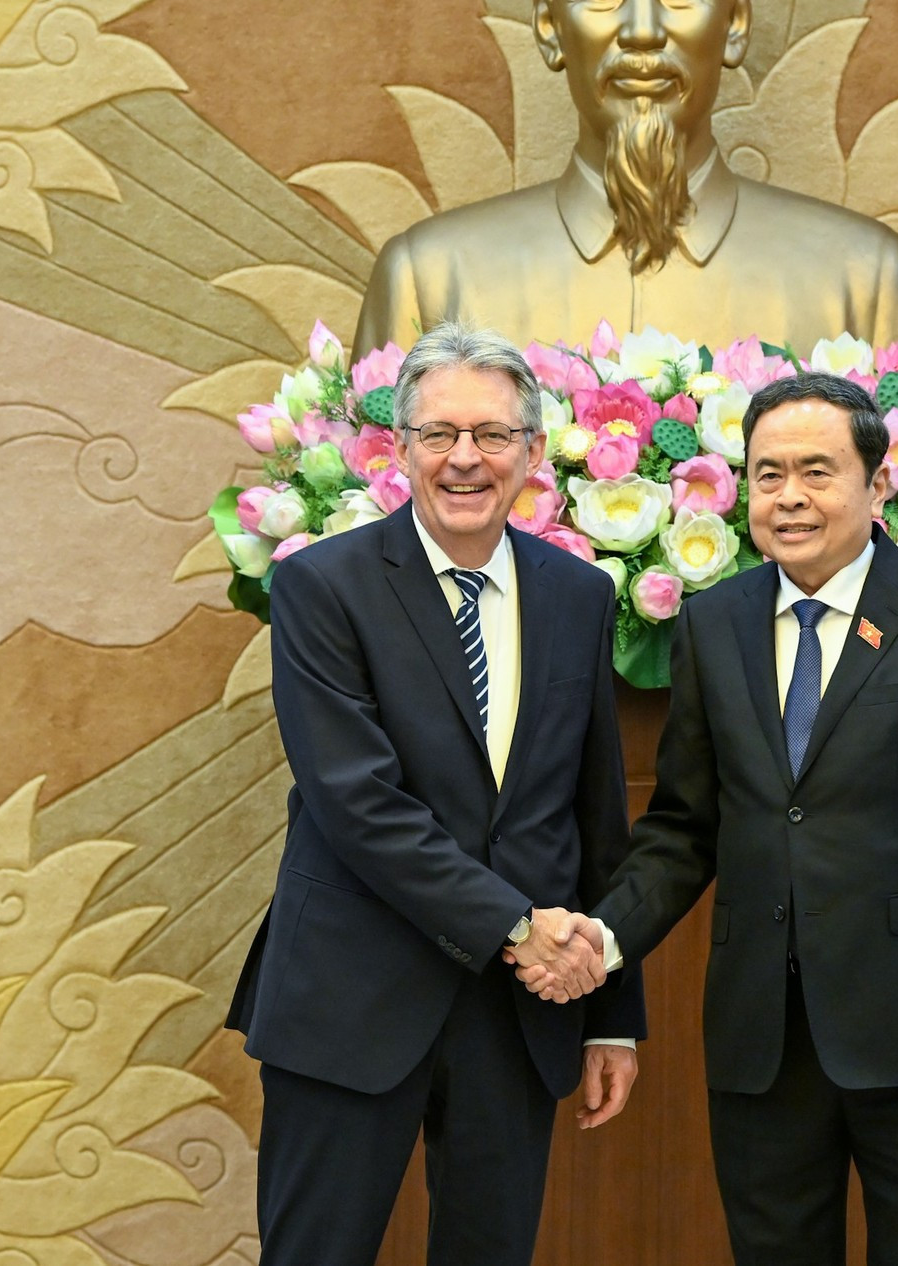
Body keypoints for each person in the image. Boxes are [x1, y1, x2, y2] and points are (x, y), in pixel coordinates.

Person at [518, 372, 898, 1265]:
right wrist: (601, 940)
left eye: (816, 472)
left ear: (879, 485)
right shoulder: (712, 623)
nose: (789, 496)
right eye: (768, 475)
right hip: (761, 1035)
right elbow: (684, 827)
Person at [227, 322, 644, 1266]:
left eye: (492, 435)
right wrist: (516, 926)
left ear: (533, 452)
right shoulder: (322, 588)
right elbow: (358, 804)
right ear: (400, 447)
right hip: (351, 997)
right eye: (440, 433)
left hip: (516, 1014)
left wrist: (613, 1013)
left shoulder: (578, 594)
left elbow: (593, 813)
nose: (465, 458)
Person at [352, 0, 898, 355]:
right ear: (550, 26)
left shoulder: (867, 283)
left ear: (735, 22)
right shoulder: (430, 282)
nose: (642, 31)